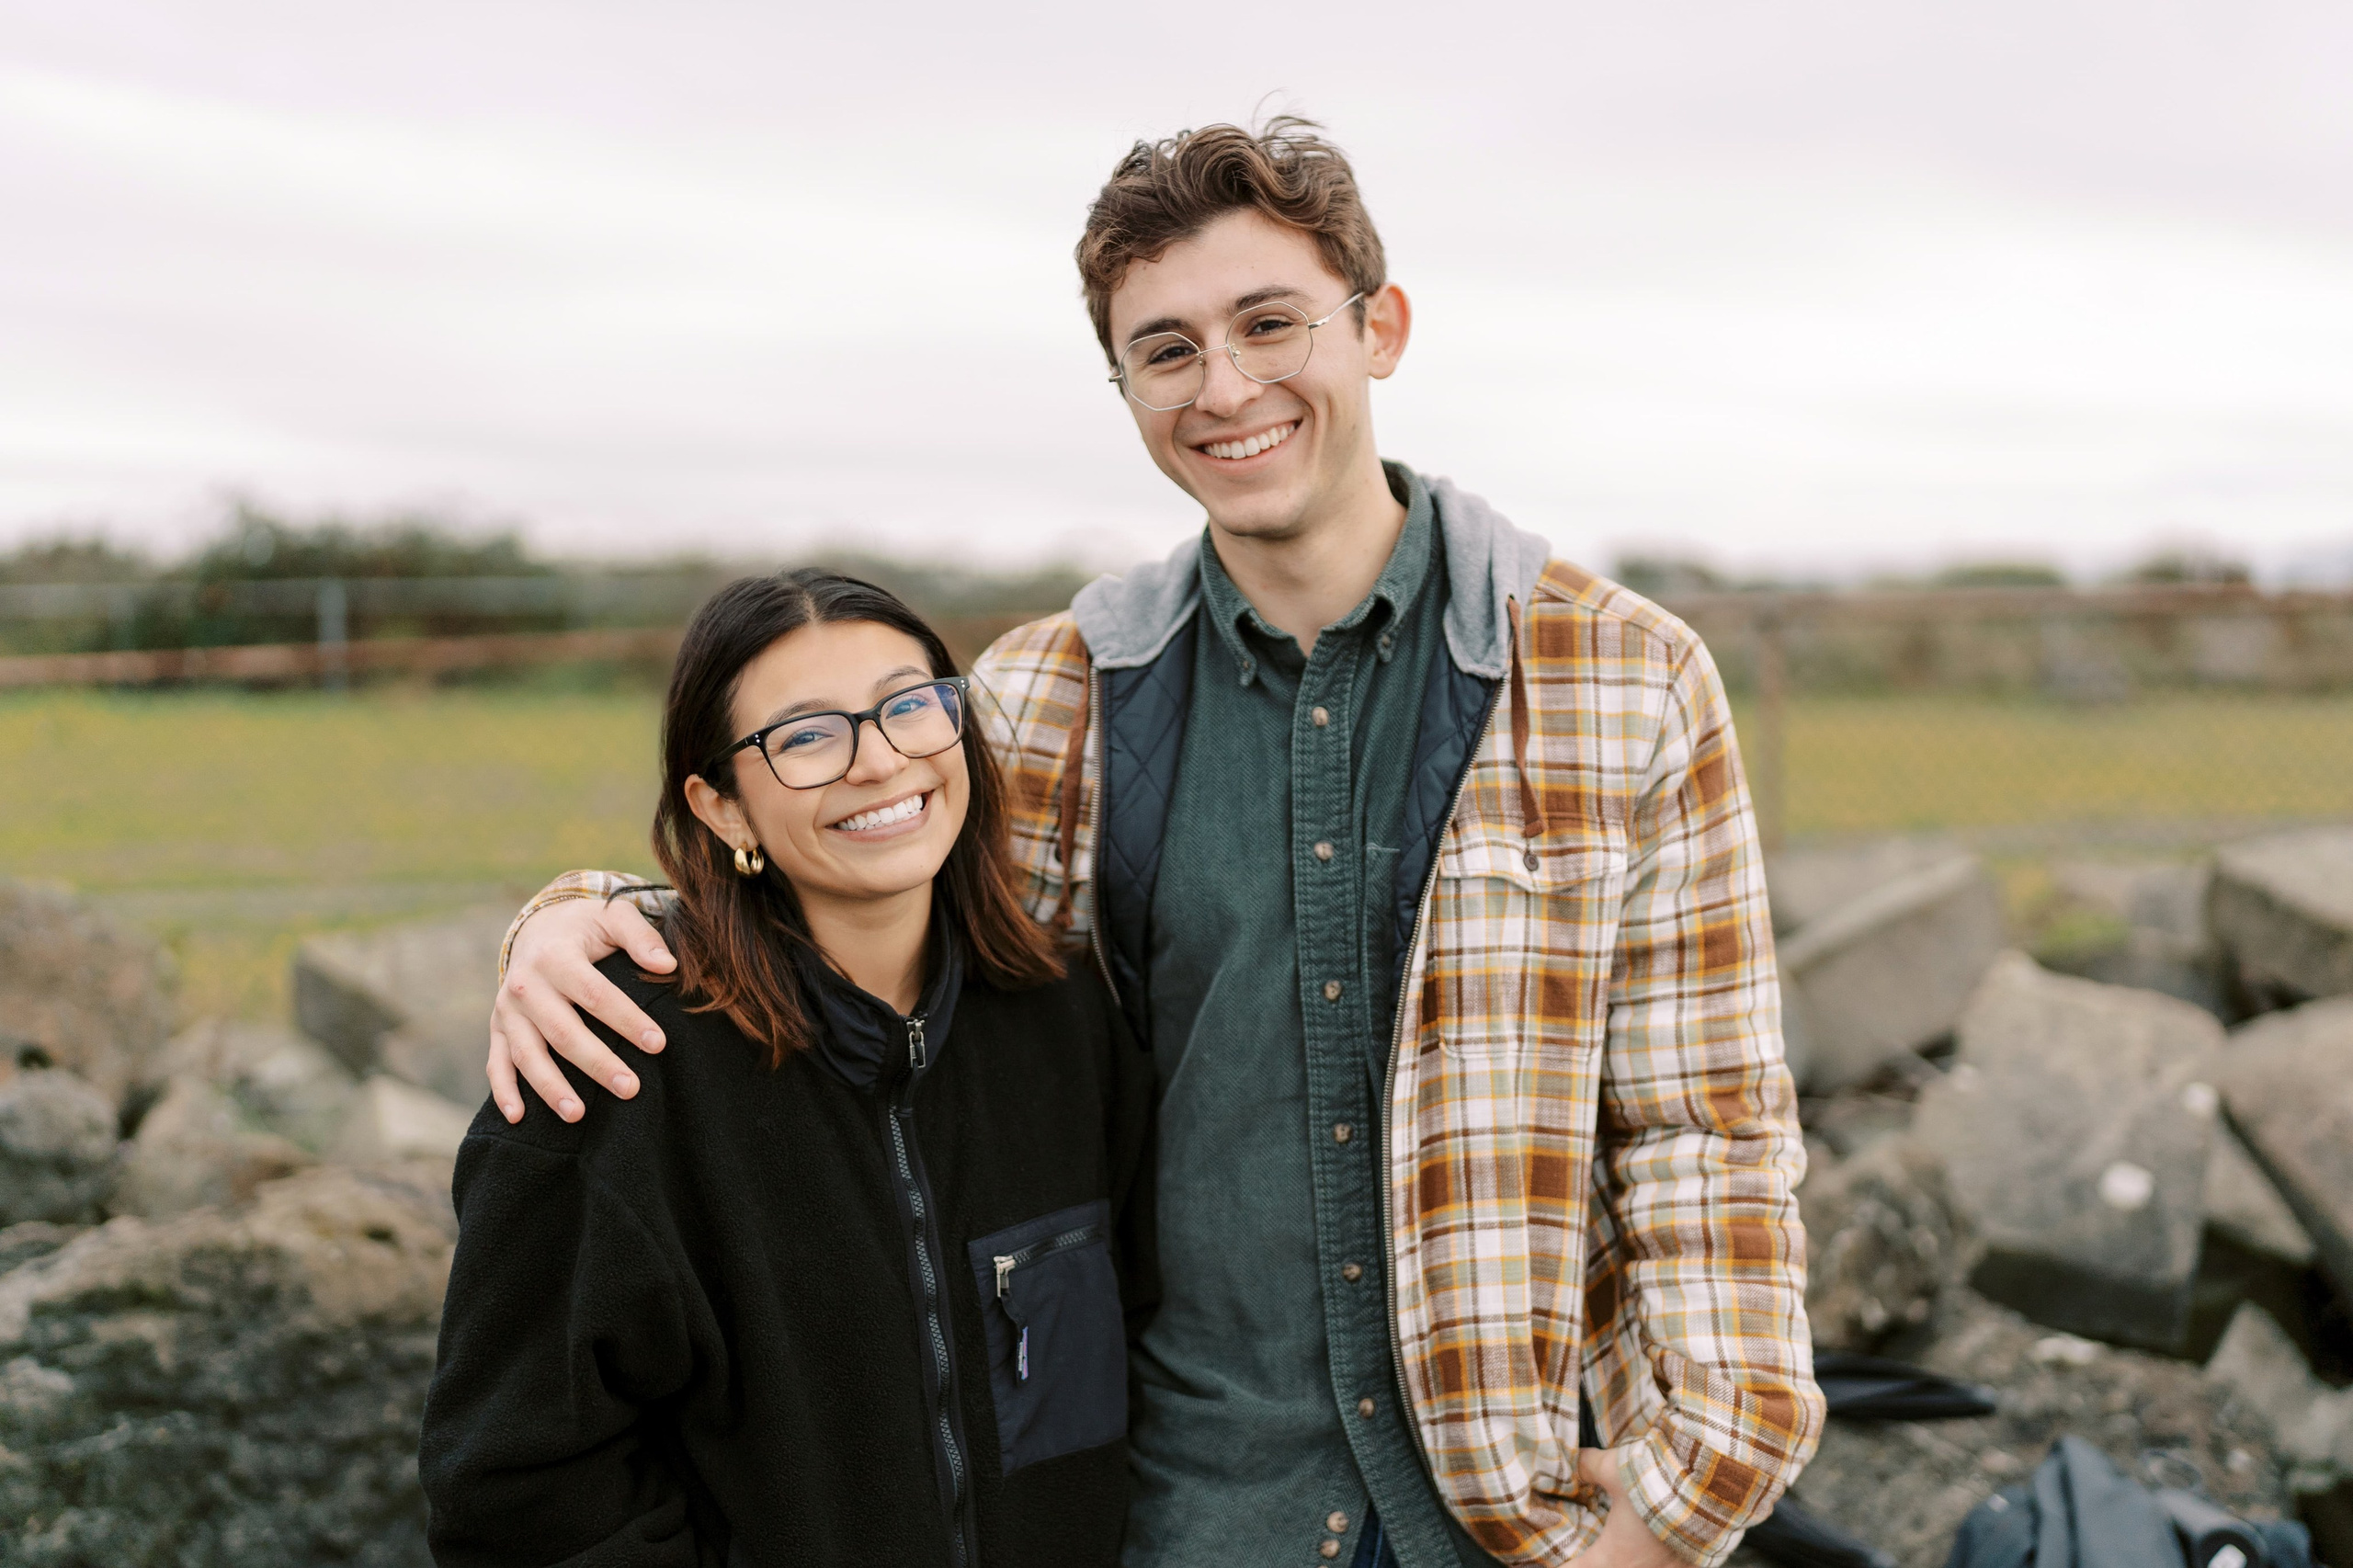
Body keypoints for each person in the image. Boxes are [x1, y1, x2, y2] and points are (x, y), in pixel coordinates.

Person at [483, 121, 1823, 1568]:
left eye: (1269, 324)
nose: (1226, 387)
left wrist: (1679, 1506)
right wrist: (575, 915)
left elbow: (1708, 1130)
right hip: (1178, 1517)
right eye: (1167, 350)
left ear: (1381, 328)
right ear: (1124, 385)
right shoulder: (1051, 696)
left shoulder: (1623, 678)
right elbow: (842, 856)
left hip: (1516, 1519)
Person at [419, 570, 1154, 1567]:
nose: (882, 761)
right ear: (721, 806)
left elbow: (1132, 1361)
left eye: (908, 705)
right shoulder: (615, 1064)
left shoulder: (1063, 1020)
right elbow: (516, 1491)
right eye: (807, 736)